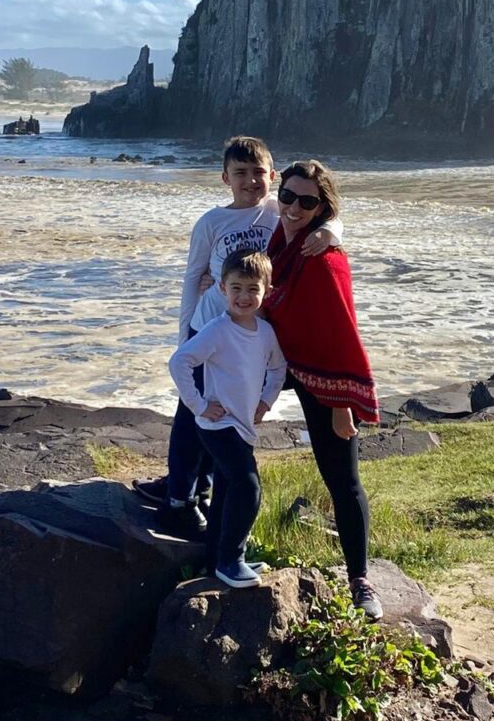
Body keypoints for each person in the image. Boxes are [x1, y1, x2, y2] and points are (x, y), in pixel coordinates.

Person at [133, 135, 342, 538]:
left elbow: (326, 212)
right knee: (194, 411)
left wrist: (332, 232)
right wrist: (184, 336)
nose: (250, 181)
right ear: (225, 177)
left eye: (258, 173)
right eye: (240, 173)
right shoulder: (211, 222)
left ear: (273, 177)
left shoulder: (278, 212)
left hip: (252, 334)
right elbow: (193, 277)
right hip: (210, 327)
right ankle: (179, 498)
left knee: (229, 412)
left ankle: (201, 488)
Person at [264, 160, 384, 620]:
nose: (294, 207)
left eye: (307, 201)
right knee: (208, 413)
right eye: (289, 196)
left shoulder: (324, 259)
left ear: (321, 208)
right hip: (277, 361)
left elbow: (340, 334)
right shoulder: (279, 236)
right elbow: (238, 202)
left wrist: (341, 406)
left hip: (321, 376)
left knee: (344, 482)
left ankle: (361, 582)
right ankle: (188, 504)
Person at [168, 248, 286, 588]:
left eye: (252, 289)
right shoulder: (217, 330)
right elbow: (179, 362)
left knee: (225, 491)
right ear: (222, 289)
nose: (244, 296)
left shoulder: (265, 333)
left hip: (244, 424)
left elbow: (279, 369)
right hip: (217, 425)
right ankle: (232, 560)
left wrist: (265, 402)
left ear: (267, 291)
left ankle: (216, 560)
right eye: (236, 288)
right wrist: (199, 405)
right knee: (247, 487)